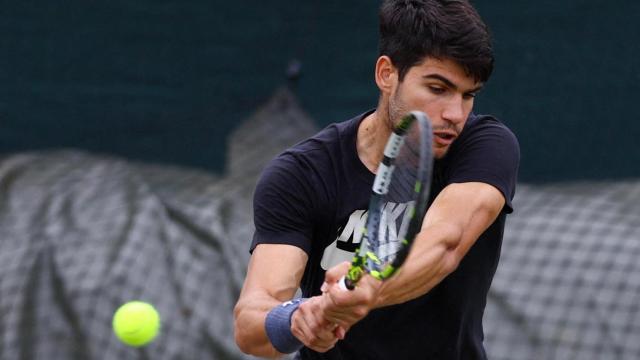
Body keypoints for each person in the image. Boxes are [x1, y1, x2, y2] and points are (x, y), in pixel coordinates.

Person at [234, 0, 520, 358]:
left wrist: (369, 287)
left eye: (468, 96)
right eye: (437, 88)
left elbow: (446, 243)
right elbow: (250, 323)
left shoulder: (485, 146)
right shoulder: (301, 175)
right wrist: (296, 319)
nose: (455, 114)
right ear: (387, 74)